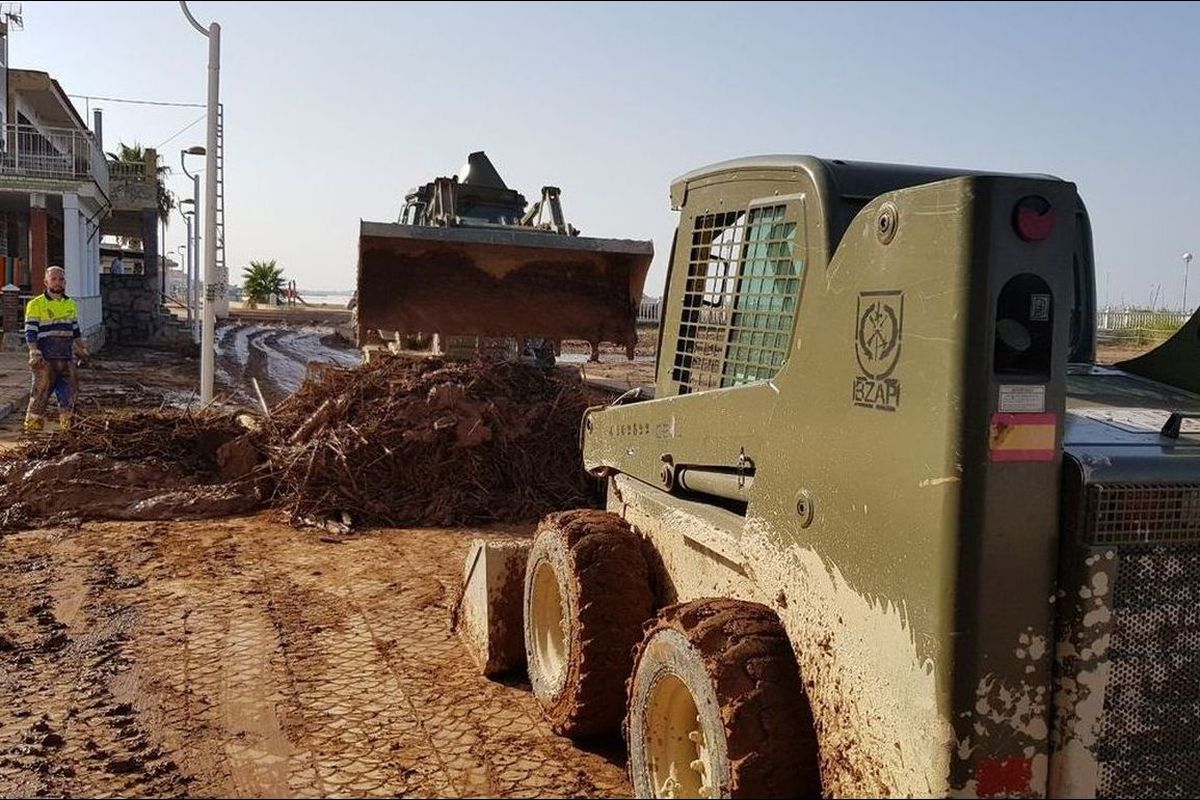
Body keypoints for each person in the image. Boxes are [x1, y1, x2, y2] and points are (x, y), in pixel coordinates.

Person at [23, 265, 89, 431]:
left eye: (61, 279)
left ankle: (68, 433)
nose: (58, 282)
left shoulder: (70, 304)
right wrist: (33, 351)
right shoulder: (35, 304)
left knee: (69, 398)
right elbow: (31, 331)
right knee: (39, 397)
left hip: (67, 359)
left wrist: (82, 348)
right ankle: (32, 434)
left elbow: (75, 330)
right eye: (54, 279)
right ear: (46, 282)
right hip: (45, 360)